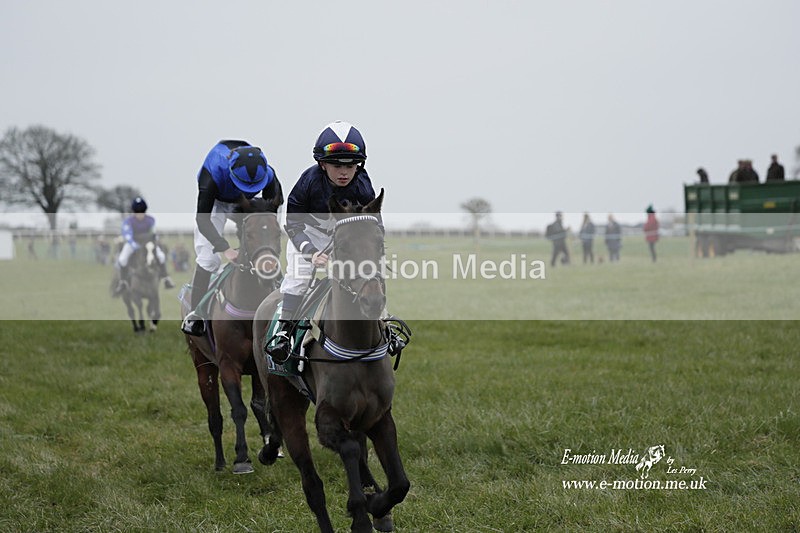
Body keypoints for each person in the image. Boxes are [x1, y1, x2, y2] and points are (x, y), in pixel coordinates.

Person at [267, 121, 377, 363]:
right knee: (298, 279)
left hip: (343, 237)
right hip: (307, 235)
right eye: (337, 165)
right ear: (322, 163)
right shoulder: (307, 182)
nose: (345, 172)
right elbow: (293, 224)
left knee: (367, 277)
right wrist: (311, 253)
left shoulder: (363, 185)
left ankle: (381, 325)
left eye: (351, 165)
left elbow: (369, 224)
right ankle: (283, 334)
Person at [180, 141, 283, 336]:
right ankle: (196, 316)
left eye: (255, 185)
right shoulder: (211, 175)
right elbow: (202, 221)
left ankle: (280, 294)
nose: (251, 188)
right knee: (208, 258)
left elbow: (273, 212)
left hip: (248, 206)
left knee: (266, 250)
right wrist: (225, 248)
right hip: (218, 202)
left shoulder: (269, 175)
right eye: (246, 185)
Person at [115, 197, 175, 293]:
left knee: (161, 256)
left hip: (148, 244)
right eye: (137, 212)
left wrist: (154, 242)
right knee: (122, 259)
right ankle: (123, 282)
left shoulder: (150, 220)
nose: (140, 214)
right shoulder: (128, 221)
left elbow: (153, 233)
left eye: (142, 211)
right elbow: (127, 235)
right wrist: (134, 245)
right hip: (133, 243)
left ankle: (166, 279)